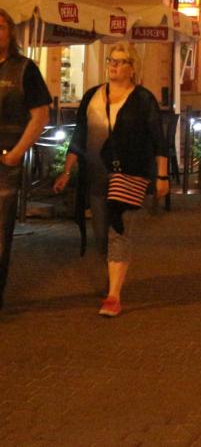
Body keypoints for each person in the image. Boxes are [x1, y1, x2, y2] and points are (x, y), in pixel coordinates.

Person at [54, 42, 166, 317]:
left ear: (132, 68)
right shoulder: (92, 96)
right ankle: (113, 274)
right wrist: (67, 170)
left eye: (121, 61)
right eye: (111, 61)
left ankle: (114, 295)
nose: (114, 66)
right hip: (95, 175)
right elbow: (79, 136)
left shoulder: (142, 99)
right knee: (101, 233)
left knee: (120, 231)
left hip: (129, 173)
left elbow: (158, 140)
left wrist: (162, 175)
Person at [1, 7, 51, 310]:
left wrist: (17, 153)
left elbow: (40, 115)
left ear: (10, 33)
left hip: (4, 162)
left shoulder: (24, 69)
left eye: (2, 26)